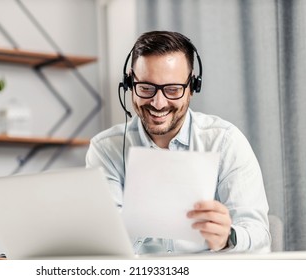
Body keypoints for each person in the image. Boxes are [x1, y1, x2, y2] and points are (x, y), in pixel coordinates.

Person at [86, 31, 271, 254]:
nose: (158, 102)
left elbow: (259, 236)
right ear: (129, 82)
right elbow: (107, 244)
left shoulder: (226, 141)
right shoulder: (106, 149)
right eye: (146, 87)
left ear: (192, 87)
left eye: (173, 89)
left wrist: (227, 237)